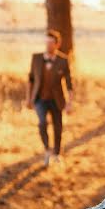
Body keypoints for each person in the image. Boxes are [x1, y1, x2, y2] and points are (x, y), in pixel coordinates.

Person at [28, 29, 74, 166]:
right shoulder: (36, 58)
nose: (48, 46)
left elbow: (69, 83)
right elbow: (30, 79)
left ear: (57, 44)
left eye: (51, 43)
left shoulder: (63, 61)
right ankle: (47, 149)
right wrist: (28, 98)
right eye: (46, 43)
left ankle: (57, 154)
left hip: (57, 100)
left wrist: (69, 103)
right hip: (40, 99)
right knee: (42, 123)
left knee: (58, 127)